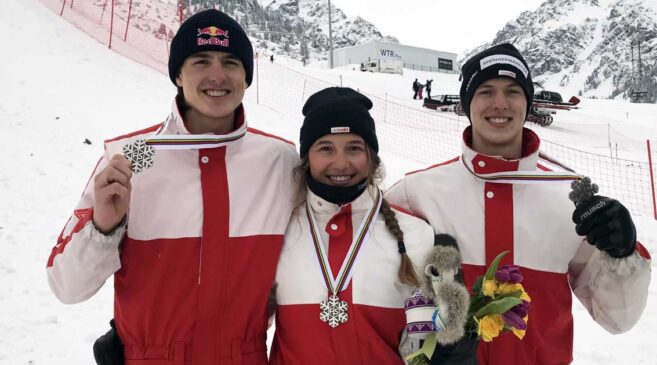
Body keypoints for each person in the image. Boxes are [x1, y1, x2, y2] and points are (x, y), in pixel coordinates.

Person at [46, 9, 298, 365]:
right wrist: (104, 228)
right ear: (178, 74)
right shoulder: (131, 157)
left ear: (246, 76)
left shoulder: (279, 160)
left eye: (231, 62)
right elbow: (66, 287)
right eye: (200, 61)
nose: (217, 75)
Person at [386, 43, 651, 365]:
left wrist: (621, 253)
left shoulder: (569, 197)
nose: (500, 103)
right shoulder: (416, 193)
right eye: (485, 91)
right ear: (467, 104)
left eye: (513, 91)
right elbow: (383, 298)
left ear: (528, 103)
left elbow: (617, 318)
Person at [268, 87, 477, 365]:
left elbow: (454, 349)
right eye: (325, 148)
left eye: (354, 148)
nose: (340, 163)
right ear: (307, 158)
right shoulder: (277, 232)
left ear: (372, 157)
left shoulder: (420, 238)